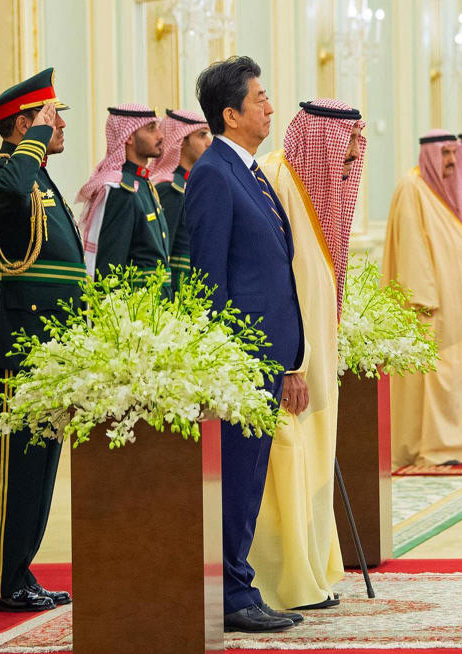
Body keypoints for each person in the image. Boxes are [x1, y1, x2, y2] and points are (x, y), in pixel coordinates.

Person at [185, 56, 306, 633]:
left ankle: (237, 582)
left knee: (250, 473)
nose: (269, 107)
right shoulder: (214, 173)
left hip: (267, 356)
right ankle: (230, 594)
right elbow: (208, 276)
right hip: (241, 358)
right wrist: (228, 360)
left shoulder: (250, 171)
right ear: (230, 115)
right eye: (259, 98)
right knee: (236, 474)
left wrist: (288, 358)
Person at [250, 99, 366, 610]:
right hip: (288, 357)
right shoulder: (277, 179)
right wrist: (292, 363)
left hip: (313, 352)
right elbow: (275, 282)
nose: (352, 158)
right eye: (347, 146)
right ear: (321, 142)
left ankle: (313, 566)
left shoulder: (314, 189)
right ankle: (286, 578)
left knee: (313, 455)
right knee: (288, 458)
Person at [0, 68, 81, 613]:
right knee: (16, 468)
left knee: (39, 468)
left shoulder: (39, 177)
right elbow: (10, 193)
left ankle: (17, 571)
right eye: (49, 116)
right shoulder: (3, 172)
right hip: (20, 347)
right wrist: (31, 143)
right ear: (22, 124)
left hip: (51, 346)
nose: (60, 124)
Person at [382, 131, 462, 466]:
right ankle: (431, 447)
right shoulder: (412, 188)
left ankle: (451, 443)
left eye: (455, 153)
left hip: (454, 306)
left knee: (450, 376)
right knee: (428, 382)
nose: (452, 161)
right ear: (429, 155)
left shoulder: (442, 191)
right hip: (428, 309)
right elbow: (411, 247)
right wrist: (422, 299)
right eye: (445, 154)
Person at [77, 104, 169, 288]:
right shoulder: (120, 189)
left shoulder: (143, 184)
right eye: (151, 129)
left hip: (154, 308)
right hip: (134, 309)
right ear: (129, 137)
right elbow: (110, 265)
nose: (160, 136)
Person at [147, 109, 211, 288]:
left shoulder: (191, 184)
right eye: (202, 135)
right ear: (181, 140)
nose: (209, 142)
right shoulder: (169, 188)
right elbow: (164, 251)